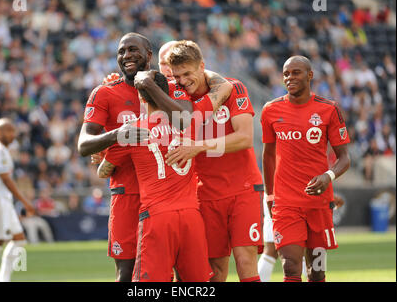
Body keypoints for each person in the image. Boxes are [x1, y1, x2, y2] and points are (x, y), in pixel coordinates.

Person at [78, 33, 224, 281]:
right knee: (127, 272)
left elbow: (188, 117)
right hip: (127, 193)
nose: (126, 56)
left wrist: (108, 156)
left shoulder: (171, 87)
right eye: (121, 51)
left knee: (174, 271)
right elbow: (84, 145)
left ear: (149, 56)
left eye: (133, 50)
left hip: (164, 200)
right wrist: (116, 136)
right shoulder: (105, 92)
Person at [164, 40, 263, 282]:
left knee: (245, 259)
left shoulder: (234, 88)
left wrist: (198, 146)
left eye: (188, 73)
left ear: (202, 67)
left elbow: (244, 138)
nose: (183, 80)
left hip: (243, 189)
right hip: (205, 195)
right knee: (215, 270)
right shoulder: (177, 96)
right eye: (177, 76)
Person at [260, 55, 351, 282]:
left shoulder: (329, 109)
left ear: (310, 75)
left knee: (317, 271)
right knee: (291, 266)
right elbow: (268, 155)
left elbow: (344, 158)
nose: (289, 77)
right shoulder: (271, 110)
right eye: (286, 74)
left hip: (319, 204)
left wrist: (328, 176)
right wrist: (269, 194)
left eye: (296, 72)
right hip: (286, 202)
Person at [0, 118, 35, 282]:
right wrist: (25, 201)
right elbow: (6, 180)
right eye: (9, 131)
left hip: (1, 200)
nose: (13, 135)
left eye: (13, 131)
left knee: (19, 240)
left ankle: (3, 279)